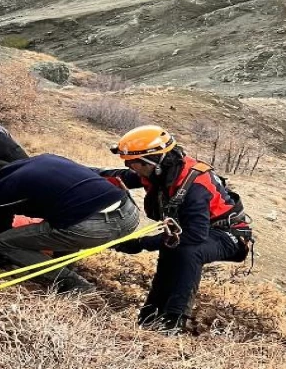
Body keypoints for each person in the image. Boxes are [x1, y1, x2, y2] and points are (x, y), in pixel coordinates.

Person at [101, 125, 253, 333]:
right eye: (128, 163)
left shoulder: (194, 186)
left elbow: (193, 235)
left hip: (228, 235)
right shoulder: (160, 172)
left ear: (153, 161)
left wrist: (141, 244)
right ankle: (150, 316)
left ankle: (174, 320)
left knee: (186, 250)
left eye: (134, 163)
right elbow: (119, 177)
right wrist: (79, 172)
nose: (131, 168)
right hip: (198, 231)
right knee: (172, 248)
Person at [0, 153, 139, 293]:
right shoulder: (47, 160)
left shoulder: (2, 187)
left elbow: (0, 227)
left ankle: (72, 282)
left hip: (92, 227)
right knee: (64, 218)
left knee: (3, 243)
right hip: (130, 214)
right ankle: (65, 267)